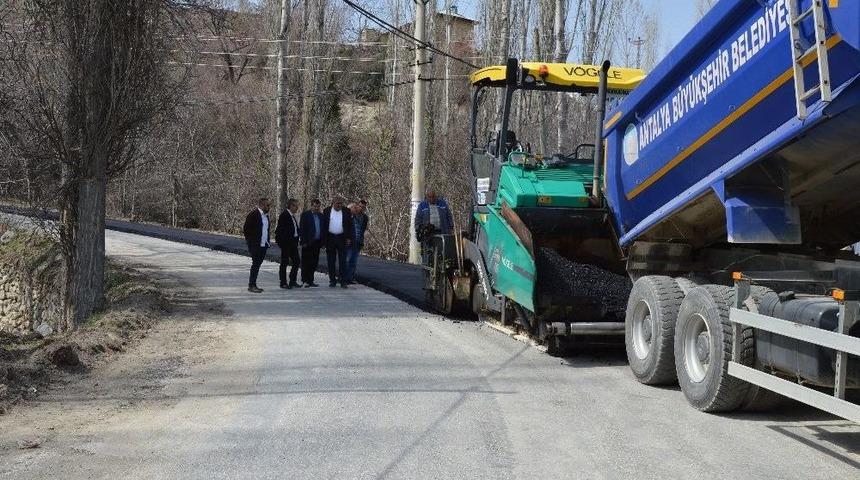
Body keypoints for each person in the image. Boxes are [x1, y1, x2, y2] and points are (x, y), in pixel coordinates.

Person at [321, 196, 353, 288]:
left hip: (342, 238)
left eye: (341, 203)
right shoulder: (326, 211)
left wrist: (349, 238)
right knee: (331, 261)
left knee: (343, 261)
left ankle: (343, 281)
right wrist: (323, 241)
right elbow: (324, 226)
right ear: (333, 203)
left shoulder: (346, 211)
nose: (339, 205)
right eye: (337, 203)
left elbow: (350, 225)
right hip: (330, 238)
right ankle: (332, 280)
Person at [414, 189, 454, 264]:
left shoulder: (442, 203)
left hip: (442, 231)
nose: (432, 199)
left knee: (442, 251)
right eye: (430, 197)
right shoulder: (422, 205)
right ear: (426, 197)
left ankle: (440, 266)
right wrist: (418, 229)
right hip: (428, 233)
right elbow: (418, 219)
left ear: (435, 196)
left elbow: (449, 216)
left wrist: (451, 227)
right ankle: (427, 266)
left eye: (433, 197)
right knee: (429, 251)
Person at [242, 197, 272, 293]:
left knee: (258, 264)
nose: (269, 207)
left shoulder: (266, 216)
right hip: (255, 245)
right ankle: (251, 285)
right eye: (267, 205)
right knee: (255, 264)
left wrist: (267, 242)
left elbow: (266, 230)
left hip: (264, 244)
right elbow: (246, 229)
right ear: (262, 205)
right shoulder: (253, 215)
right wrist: (251, 242)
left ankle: (253, 284)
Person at [275, 198, 301, 289]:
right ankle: (283, 282)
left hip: (293, 243)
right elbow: (280, 231)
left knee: (297, 261)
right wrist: (282, 244)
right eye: (295, 206)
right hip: (286, 243)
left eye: (297, 206)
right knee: (284, 262)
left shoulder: (292, 216)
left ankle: (292, 280)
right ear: (290, 206)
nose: (297, 208)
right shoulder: (284, 215)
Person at [344, 199, 369, 285]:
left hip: (358, 241)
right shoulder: (351, 215)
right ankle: (343, 277)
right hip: (350, 241)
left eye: (363, 207)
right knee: (347, 260)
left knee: (354, 261)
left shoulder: (365, 217)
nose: (361, 208)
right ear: (357, 206)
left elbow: (364, 229)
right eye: (360, 206)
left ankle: (350, 278)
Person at [299, 199, 324, 287]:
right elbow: (302, 229)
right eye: (315, 206)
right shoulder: (305, 215)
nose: (316, 208)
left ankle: (311, 280)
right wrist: (303, 241)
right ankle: (305, 280)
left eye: (318, 206)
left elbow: (323, 229)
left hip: (317, 242)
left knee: (314, 262)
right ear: (311, 206)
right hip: (307, 243)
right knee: (306, 262)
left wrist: (323, 242)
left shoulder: (321, 216)